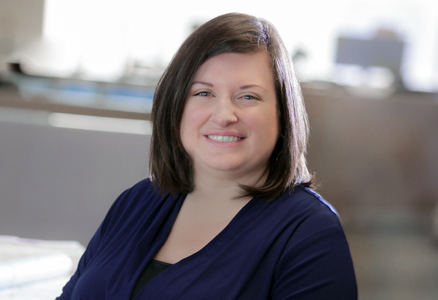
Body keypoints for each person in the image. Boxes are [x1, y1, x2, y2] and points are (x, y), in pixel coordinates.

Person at [56, 13, 357, 300]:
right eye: (203, 93)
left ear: (282, 114)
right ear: (175, 107)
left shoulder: (309, 234)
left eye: (248, 96)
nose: (224, 115)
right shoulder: (137, 201)